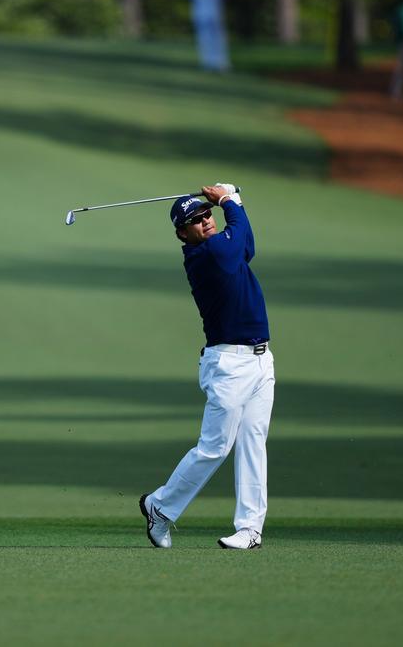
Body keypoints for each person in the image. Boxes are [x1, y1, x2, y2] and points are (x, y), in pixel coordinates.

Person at [139, 183, 275, 551]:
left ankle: (249, 529)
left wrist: (235, 204)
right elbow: (235, 244)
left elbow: (247, 246)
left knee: (252, 444)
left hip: (261, 361)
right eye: (195, 220)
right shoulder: (206, 256)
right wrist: (230, 201)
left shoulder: (223, 248)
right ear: (182, 234)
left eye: (206, 214)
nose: (204, 221)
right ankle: (160, 506)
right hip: (228, 364)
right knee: (215, 447)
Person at [189, 0, 231, 72]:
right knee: (218, 39)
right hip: (215, 13)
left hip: (200, 13)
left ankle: (208, 62)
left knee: (205, 39)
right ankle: (221, 62)